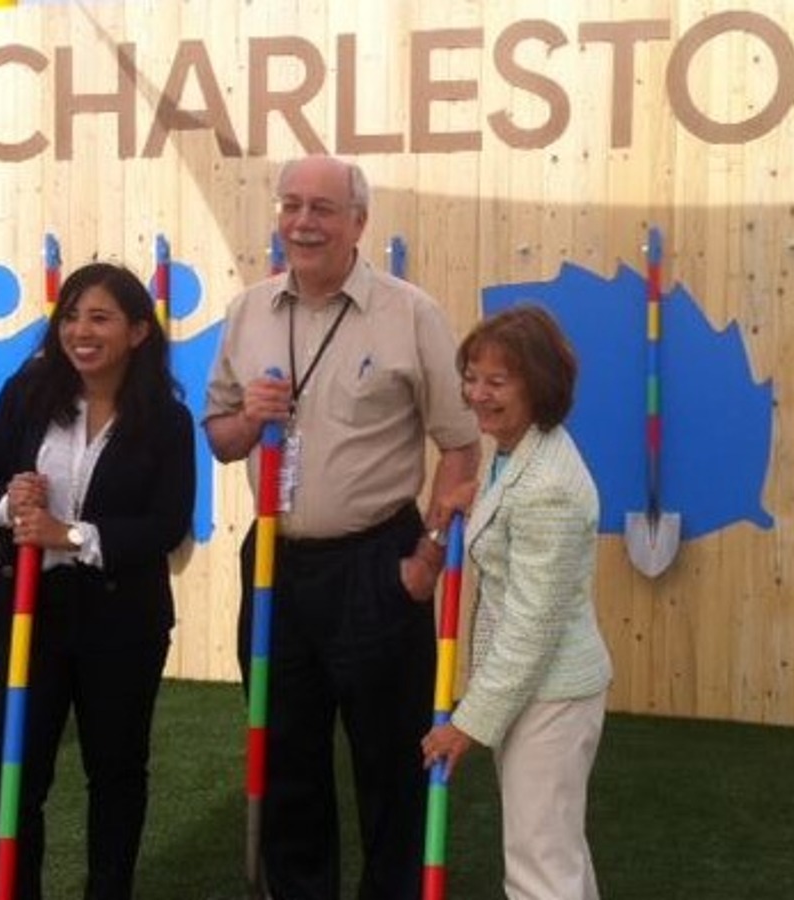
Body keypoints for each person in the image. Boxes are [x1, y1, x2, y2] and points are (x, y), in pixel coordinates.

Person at [204, 154, 481, 900]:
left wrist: (425, 559)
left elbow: (460, 443)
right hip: (273, 565)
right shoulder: (248, 311)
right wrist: (246, 420)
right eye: (291, 205)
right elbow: (220, 436)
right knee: (287, 753)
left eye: (322, 208)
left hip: (377, 562)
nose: (303, 222)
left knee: (390, 761)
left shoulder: (409, 313)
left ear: (359, 221)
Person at [0, 262, 195, 900]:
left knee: (116, 775)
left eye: (99, 317)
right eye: (70, 316)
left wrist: (70, 535)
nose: (80, 331)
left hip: (122, 621)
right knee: (9, 777)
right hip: (24, 614)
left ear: (139, 333)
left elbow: (166, 524)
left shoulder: (166, 421)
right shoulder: (28, 391)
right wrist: (13, 507)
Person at [420, 306, 613, 900]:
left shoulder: (549, 486)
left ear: (539, 385)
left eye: (496, 382)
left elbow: (531, 629)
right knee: (555, 850)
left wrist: (466, 725)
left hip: (550, 691)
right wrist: (471, 498)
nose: (477, 394)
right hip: (544, 687)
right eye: (471, 376)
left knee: (538, 867)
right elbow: (510, 494)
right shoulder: (521, 449)